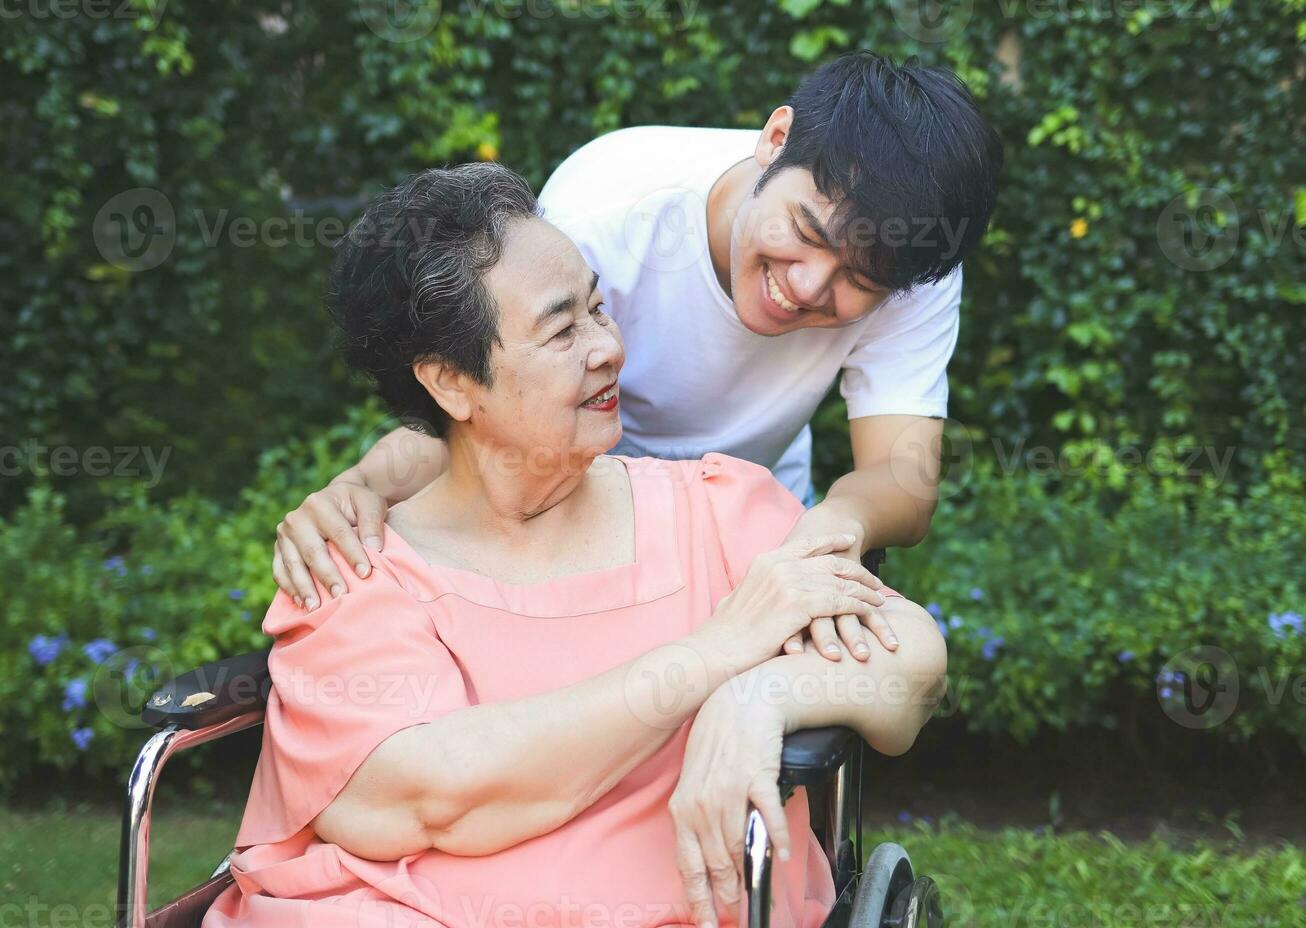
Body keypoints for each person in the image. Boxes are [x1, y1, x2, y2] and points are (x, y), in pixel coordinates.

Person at [192, 164, 947, 928]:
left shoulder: (718, 513)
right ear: (449, 381)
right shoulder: (357, 564)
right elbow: (423, 794)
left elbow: (911, 664)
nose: (609, 349)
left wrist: (762, 694)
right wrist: (713, 656)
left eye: (599, 308)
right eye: (562, 332)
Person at [270, 50, 1003, 665]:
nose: (808, 286)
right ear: (776, 138)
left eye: (859, 281)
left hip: (754, 529)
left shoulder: (913, 259)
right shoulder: (609, 208)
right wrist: (360, 488)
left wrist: (830, 528)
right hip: (579, 508)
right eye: (805, 232)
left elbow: (901, 478)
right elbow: (495, 413)